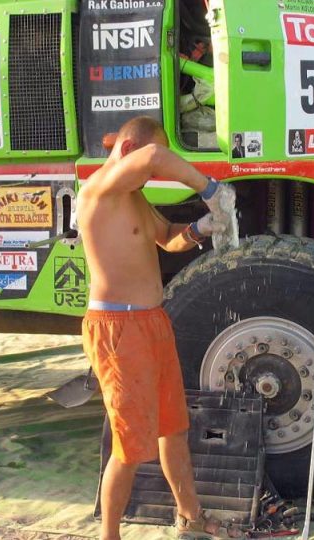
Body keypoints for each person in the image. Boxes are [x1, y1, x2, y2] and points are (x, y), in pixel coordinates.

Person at [77, 116, 235, 540]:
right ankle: (109, 536)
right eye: (148, 170)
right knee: (129, 448)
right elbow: (154, 155)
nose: (153, 175)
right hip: (117, 327)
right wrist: (212, 191)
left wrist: (202, 229)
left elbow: (167, 237)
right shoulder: (100, 189)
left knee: (173, 429)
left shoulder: (133, 197)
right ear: (127, 153)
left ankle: (191, 519)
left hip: (151, 322)